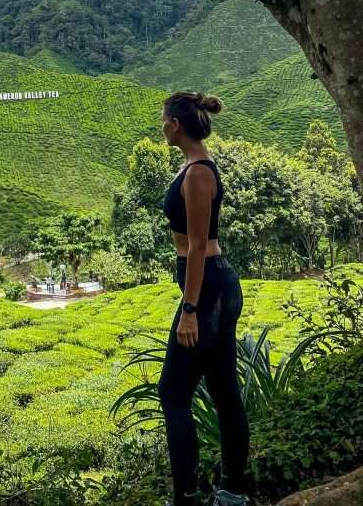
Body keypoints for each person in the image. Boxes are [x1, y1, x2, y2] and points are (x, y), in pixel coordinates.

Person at [159, 91, 250, 506]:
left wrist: (190, 311)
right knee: (222, 387)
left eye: (164, 120)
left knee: (173, 393)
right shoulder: (193, 166)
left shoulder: (198, 174)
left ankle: (188, 497)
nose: (162, 127)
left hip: (207, 289)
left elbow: (197, 246)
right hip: (214, 286)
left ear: (176, 124)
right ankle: (231, 489)